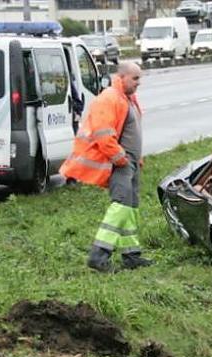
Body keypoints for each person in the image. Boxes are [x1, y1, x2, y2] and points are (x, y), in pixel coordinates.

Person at [60, 62, 152, 272]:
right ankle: (98, 255)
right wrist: (120, 159)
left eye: (140, 78)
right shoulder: (110, 98)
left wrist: (136, 159)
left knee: (129, 209)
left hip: (129, 163)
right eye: (135, 78)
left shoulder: (127, 98)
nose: (139, 83)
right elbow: (103, 134)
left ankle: (131, 255)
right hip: (120, 163)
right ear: (122, 77)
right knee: (120, 206)